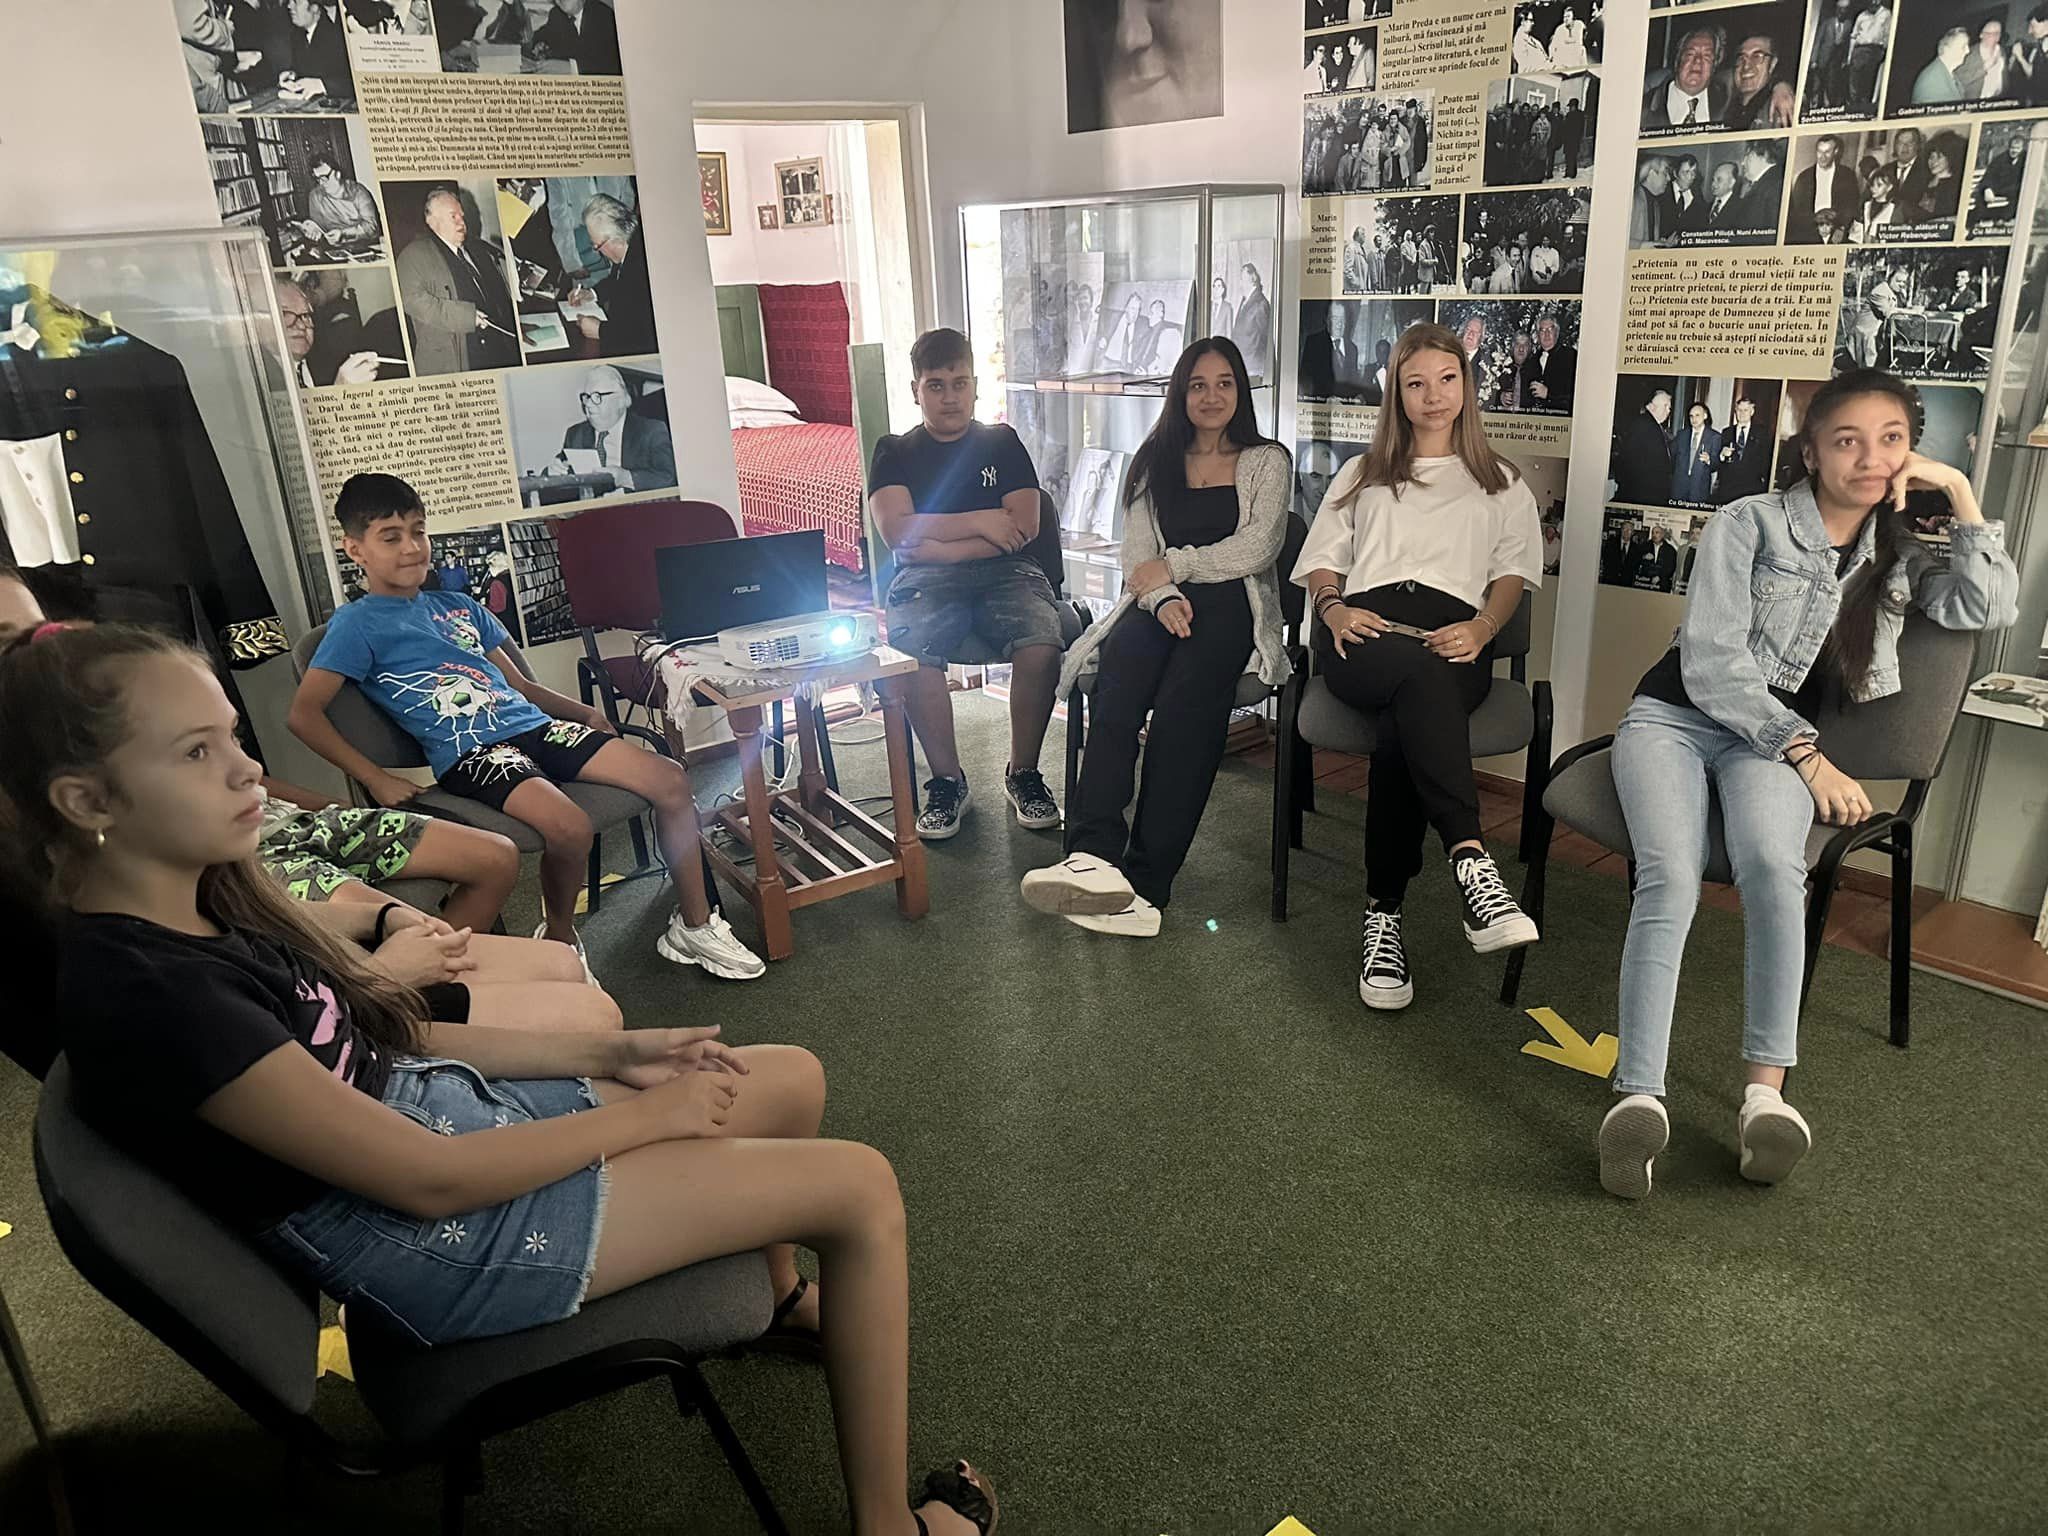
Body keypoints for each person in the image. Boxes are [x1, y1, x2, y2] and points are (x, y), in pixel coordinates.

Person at [0, 620, 1005, 1536]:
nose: (248, 769)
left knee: (786, 1079)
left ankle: (777, 1305)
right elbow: (425, 1182)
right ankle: (888, 1527)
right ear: (86, 801)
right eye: (197, 751)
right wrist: (648, 1115)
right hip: (437, 1243)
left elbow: (390, 1037)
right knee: (858, 1187)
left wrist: (611, 1055)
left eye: (232, 735)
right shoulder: (151, 995)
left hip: (443, 1129)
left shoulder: (204, 902)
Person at [1597, 369, 2019, 1200]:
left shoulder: (1899, 554)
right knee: (1669, 876)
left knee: (1772, 869)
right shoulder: (1746, 522)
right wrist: (1806, 754)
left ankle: (1764, 1099)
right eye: (1847, 440)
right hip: (1676, 721)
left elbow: (1988, 605)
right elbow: (1710, 663)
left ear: (1911, 452)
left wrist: (1960, 490)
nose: (1870, 457)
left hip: (1773, 750)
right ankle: (1639, 1098)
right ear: (1813, 450)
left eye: (1891, 440)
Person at [290, 474, 762, 979]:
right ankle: (558, 939)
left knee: (669, 779)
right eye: (391, 537)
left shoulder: (461, 607)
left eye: (418, 531)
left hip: (535, 728)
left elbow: (520, 686)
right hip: (473, 751)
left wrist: (583, 713)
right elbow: (303, 715)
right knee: (570, 827)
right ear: (355, 549)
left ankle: (693, 926)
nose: (411, 548)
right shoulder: (356, 624)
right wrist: (375, 778)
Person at [1291, 323, 1544, 1010]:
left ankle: (1384, 914)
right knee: (1413, 675)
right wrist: (1333, 611)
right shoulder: (1362, 474)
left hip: (1455, 639)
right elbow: (1323, 562)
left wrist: (1484, 627)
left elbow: (1512, 575)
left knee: (1410, 712)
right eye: (1416, 383)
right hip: (1364, 635)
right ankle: (1471, 860)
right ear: (1397, 395)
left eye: (1447, 379)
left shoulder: (1502, 482)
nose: (1434, 396)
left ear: (1467, 386)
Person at [1020, 340, 1291, 936]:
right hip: (1156, 603)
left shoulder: (1267, 460)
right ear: (1180, 393)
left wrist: (1177, 567)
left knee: (1181, 716)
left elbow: (1258, 548)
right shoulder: (1154, 460)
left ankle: (1145, 887)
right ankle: (1092, 857)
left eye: (1225, 383)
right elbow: (1138, 556)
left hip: (1232, 606)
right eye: (1198, 385)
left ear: (1240, 391)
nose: (1212, 396)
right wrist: (1164, 594)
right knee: (1116, 689)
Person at [866, 328, 1067, 841]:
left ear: (975, 385)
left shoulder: (1002, 441)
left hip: (1010, 572)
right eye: (936, 385)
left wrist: (935, 540)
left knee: (1042, 643)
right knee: (913, 653)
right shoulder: (893, 451)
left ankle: (1023, 773)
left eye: (960, 383)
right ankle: (947, 782)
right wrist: (982, 521)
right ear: (916, 390)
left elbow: (1023, 526)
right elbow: (897, 534)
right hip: (925, 579)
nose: (950, 396)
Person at [395, 186, 520, 375]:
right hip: (454, 362)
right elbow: (412, 301)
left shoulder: (479, 250)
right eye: (453, 216)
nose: (462, 222)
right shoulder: (413, 255)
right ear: (432, 221)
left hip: (497, 353)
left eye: (462, 216)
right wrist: (467, 317)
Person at [556, 364, 673, 491]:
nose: (588, 404)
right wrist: (553, 472)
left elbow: (669, 477)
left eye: (597, 396)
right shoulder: (575, 434)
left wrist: (626, 478)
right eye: (586, 397)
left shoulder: (651, 431)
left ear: (620, 399)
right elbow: (558, 472)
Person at [572, 193, 656, 357]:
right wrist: (591, 293)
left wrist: (600, 331)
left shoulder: (644, 269)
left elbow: (646, 335)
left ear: (615, 240)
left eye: (597, 245)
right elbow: (617, 281)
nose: (597, 251)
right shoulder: (629, 246)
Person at [274, 275, 379, 389]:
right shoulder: (266, 377)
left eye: (305, 315)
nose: (301, 325)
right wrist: (340, 392)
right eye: (285, 314)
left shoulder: (325, 364)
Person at [1643, 23, 1728, 130]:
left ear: (1715, 65)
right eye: (1690, 54)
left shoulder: (1728, 105)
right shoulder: (1644, 106)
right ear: (1677, 60)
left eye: (1707, 56)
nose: (1698, 60)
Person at [297, 153, 382, 249]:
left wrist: (343, 234)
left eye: (325, 177)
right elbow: (319, 228)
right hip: (333, 249)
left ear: (337, 174)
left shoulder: (358, 192)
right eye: (318, 179)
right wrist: (313, 231)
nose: (321, 183)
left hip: (365, 246)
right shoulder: (315, 196)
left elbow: (372, 228)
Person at [279, 0, 354, 106]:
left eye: (296, 1)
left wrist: (321, 85)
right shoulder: (296, 35)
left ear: (314, 7)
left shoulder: (339, 34)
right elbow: (305, 70)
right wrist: (292, 74)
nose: (289, 6)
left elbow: (355, 82)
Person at [1788, 134, 1859, 244]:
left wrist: (1842, 228)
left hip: (1837, 232)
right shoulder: (1804, 177)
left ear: (1836, 151)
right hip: (1810, 233)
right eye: (1819, 152)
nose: (1822, 157)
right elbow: (1798, 210)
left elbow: (1851, 205)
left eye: (1827, 152)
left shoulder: (1847, 175)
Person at [1721, 34, 1796, 130]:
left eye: (1757, 57)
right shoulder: (1722, 107)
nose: (1746, 66)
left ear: (1772, 64)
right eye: (1741, 58)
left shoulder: (1780, 108)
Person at [1615, 391, 1674, 506]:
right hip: (1643, 494)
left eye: (1669, 407)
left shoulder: (1652, 425)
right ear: (1651, 406)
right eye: (1665, 406)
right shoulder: (1643, 425)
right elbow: (1632, 461)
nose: (1668, 411)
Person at [529, 0, 620, 72]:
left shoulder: (604, 16)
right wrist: (539, 44)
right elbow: (543, 34)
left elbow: (610, 64)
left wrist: (571, 68)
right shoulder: (556, 14)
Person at [1716, 396, 1771, 503]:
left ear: (1752, 412)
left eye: (1745, 410)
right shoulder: (1726, 432)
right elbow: (1719, 463)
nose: (1742, 413)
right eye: (1739, 410)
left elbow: (1766, 461)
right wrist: (1722, 455)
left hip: (1751, 489)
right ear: (1735, 411)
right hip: (1728, 489)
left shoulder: (1761, 433)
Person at [1300, 301, 1360, 400]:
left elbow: (1353, 383)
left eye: (1342, 319)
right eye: (1335, 318)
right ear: (1326, 320)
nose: (1339, 324)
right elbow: (1305, 380)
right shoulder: (1313, 343)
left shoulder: (1352, 349)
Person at [1669, 402, 1720, 505]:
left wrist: (1709, 460)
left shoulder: (1714, 437)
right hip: (1679, 488)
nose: (1694, 419)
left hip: (1699, 489)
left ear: (1705, 416)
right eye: (1691, 416)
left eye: (1697, 415)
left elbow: (1716, 464)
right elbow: (1671, 457)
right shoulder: (1681, 435)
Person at [1522, 313, 1574, 412]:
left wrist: (1549, 394)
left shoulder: (1571, 357)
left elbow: (1577, 395)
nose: (1546, 334)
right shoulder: (1530, 362)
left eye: (1550, 330)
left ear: (1557, 332)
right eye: (1542, 330)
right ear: (1537, 335)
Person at [1809, 0, 1855, 110]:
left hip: (1836, 62)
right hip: (1822, 59)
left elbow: (1848, 44)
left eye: (1844, 10)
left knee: (1831, 84)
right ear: (1836, 10)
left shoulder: (1849, 25)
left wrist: (1845, 60)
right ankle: (1813, 106)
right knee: (1817, 85)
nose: (1841, 12)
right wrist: (1814, 60)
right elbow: (1818, 41)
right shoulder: (1827, 23)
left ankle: (1827, 106)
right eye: (1840, 10)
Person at [1846, 1, 1889, 110]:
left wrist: (1884, 51)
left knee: (1869, 81)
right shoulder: (1862, 16)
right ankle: (1854, 106)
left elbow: (1888, 34)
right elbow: (1854, 36)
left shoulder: (1886, 14)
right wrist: (1850, 55)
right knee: (1855, 80)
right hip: (1860, 49)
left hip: (1875, 50)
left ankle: (1865, 107)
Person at [1974, 131, 2027, 220]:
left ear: (2022, 148)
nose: (2014, 151)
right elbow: (1989, 176)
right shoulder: (2000, 159)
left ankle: (2006, 220)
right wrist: (1987, 188)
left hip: (2016, 190)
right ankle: (1980, 221)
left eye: (2017, 148)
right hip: (2000, 188)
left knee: (2019, 196)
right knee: (1980, 195)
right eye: (2012, 148)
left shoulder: (2026, 159)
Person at [1733, 140, 1785, 232]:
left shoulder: (1776, 184)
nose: (1742, 163)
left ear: (1764, 155)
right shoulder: (1766, 182)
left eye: (1747, 157)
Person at [1232, 264, 1272, 377]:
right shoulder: (1245, 300)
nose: (1240, 282)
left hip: (1254, 367)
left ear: (1252, 279)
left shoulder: (1261, 304)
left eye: (1242, 278)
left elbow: (1266, 339)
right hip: (1243, 364)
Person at [1913, 27, 1970, 106]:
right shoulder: (1932, 82)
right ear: (1947, 50)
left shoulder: (1948, 72)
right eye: (1963, 47)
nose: (1968, 51)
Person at [1955, 17, 2009, 100]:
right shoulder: (1968, 54)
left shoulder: (2001, 51)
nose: (1993, 37)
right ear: (1981, 35)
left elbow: (2004, 78)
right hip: (1974, 102)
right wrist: (1984, 68)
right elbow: (1957, 81)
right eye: (1989, 33)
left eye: (1997, 33)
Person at [1632, 157, 1675, 246]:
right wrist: (1646, 246)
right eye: (1665, 173)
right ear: (1651, 174)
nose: (1669, 178)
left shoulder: (1655, 204)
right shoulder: (1633, 200)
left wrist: (1662, 243)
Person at [1918, 139, 1963, 222]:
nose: (1933, 161)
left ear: (1950, 158)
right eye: (1931, 157)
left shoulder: (1957, 185)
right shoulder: (1923, 183)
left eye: (1939, 157)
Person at [2013, 5, 2048, 106]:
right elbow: (2033, 74)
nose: (2029, 31)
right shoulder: (2040, 45)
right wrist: (2020, 57)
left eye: (2033, 26)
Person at [1496, 332, 1533, 411]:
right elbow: (1490, 395)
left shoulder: (1536, 370)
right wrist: (1500, 397)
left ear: (1529, 349)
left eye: (1525, 345)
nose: (1521, 349)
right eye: (1518, 344)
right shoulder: (1501, 369)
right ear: (1512, 347)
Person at [1704, 161, 1743, 229]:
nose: (1713, 184)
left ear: (1731, 183)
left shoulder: (1741, 209)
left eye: (1719, 180)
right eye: (1713, 179)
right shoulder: (1704, 207)